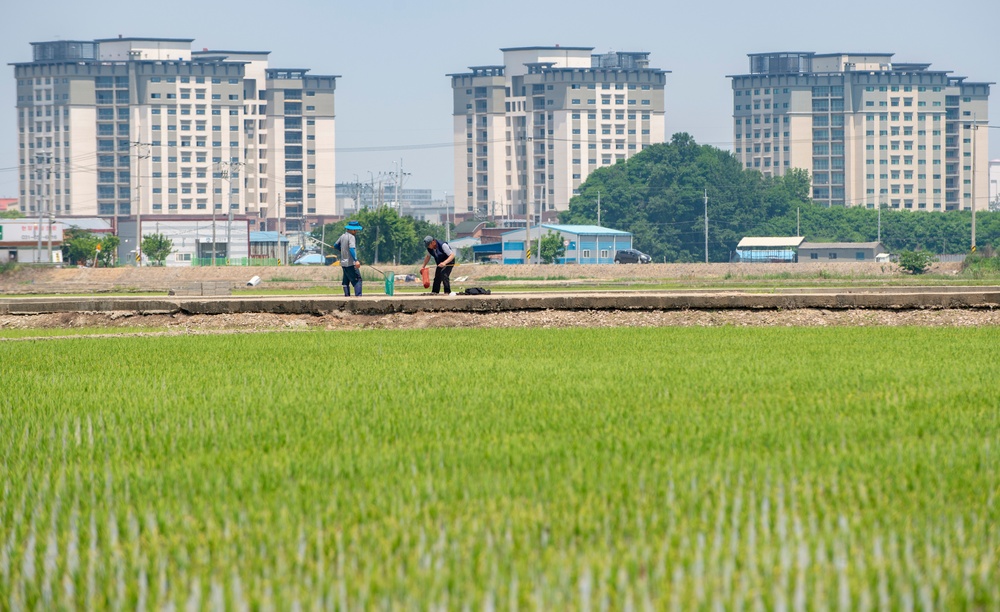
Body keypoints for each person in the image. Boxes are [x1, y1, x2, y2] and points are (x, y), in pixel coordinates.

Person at [334, 220, 363, 296]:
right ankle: (358, 297)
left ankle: (346, 297)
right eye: (356, 230)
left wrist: (342, 249)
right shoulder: (351, 237)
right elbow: (351, 249)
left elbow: (335, 245)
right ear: (352, 230)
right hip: (350, 263)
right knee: (357, 280)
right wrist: (356, 260)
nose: (356, 231)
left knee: (346, 281)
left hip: (343, 263)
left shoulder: (342, 236)